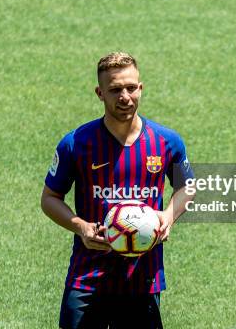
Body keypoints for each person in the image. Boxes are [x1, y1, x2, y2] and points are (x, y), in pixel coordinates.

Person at [41, 52, 194, 328]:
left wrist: (168, 218)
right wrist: (81, 227)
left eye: (131, 88)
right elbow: (50, 198)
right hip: (87, 278)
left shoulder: (167, 141)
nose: (125, 96)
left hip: (142, 280)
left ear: (141, 88)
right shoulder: (76, 143)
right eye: (115, 90)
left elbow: (188, 187)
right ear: (100, 93)